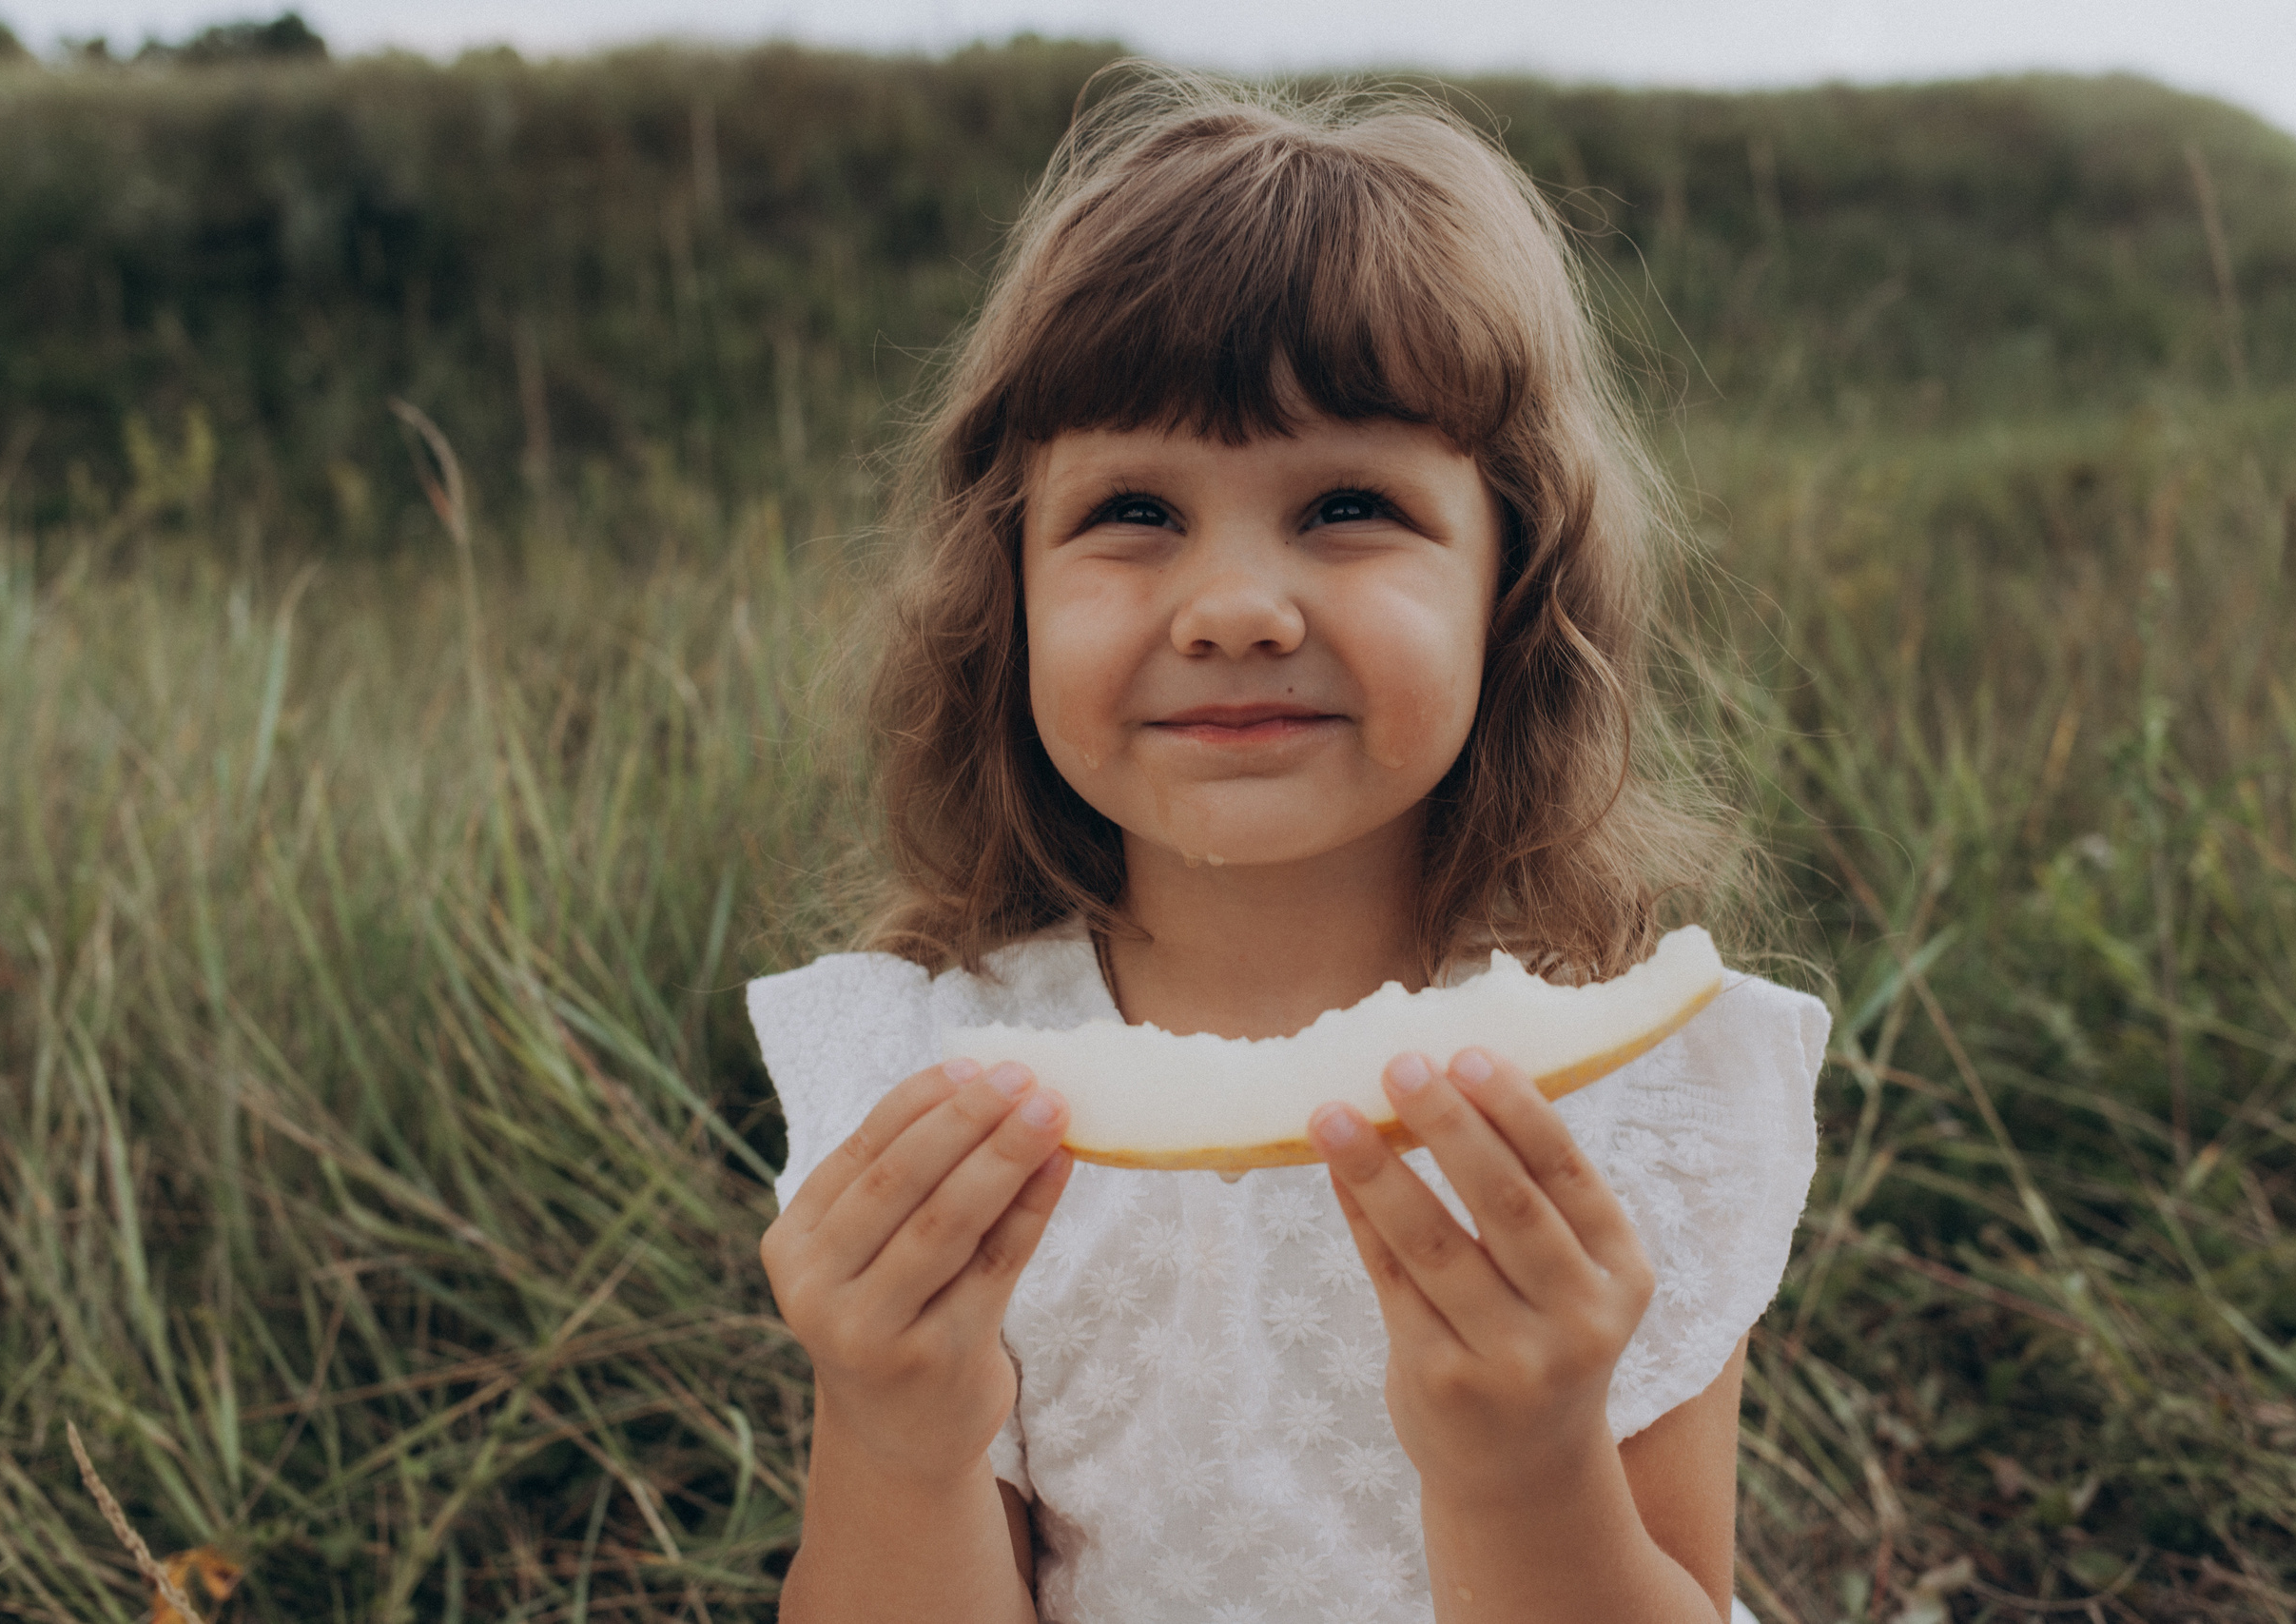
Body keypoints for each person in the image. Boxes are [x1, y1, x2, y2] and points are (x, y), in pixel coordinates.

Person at [748, 70, 1827, 1624]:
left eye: (1343, 505)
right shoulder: (932, 1097)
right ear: (1012, 594)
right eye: (1133, 510)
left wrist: (1523, 1470)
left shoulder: (1634, 1112)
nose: (1234, 606)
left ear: (1514, 586)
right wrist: (898, 1436)